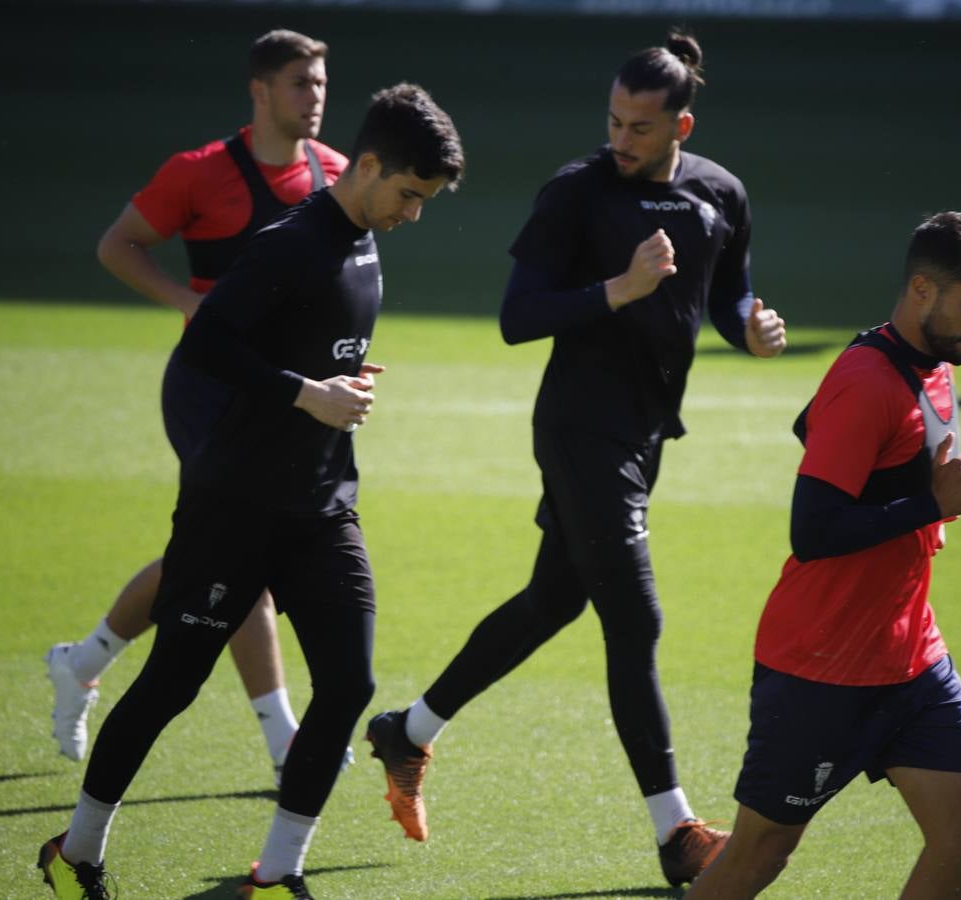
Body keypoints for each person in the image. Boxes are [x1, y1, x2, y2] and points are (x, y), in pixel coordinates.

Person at [363, 31, 787, 889]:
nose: (621, 139)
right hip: (578, 430)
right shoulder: (576, 192)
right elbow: (518, 317)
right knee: (636, 623)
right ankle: (676, 836)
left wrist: (749, 325)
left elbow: (730, 284)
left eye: (640, 126)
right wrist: (618, 290)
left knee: (555, 598)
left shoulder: (719, 194)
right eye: (614, 120)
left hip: (643, 436)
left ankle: (405, 731)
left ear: (682, 126)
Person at [35, 83, 465, 900]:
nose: (413, 214)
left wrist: (340, 379)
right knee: (172, 683)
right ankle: (80, 846)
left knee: (348, 685)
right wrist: (307, 391)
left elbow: (309, 341)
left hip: (324, 502)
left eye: (426, 201)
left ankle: (278, 871)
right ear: (367, 165)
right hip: (234, 502)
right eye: (409, 194)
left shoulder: (368, 238)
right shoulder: (288, 242)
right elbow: (210, 346)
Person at [44, 29, 350, 783]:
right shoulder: (200, 172)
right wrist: (188, 304)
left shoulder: (335, 173)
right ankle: (282, 738)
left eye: (320, 83)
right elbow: (119, 245)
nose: (315, 97)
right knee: (245, 546)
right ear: (260, 91)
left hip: (293, 394)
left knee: (217, 555)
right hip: (210, 388)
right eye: (300, 84)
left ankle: (80, 661)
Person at [684, 211, 961, 899]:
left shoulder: (934, 367)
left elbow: (815, 426)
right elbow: (813, 531)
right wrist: (931, 506)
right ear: (922, 289)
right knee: (756, 859)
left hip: (911, 658)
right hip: (822, 668)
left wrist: (920, 498)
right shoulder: (867, 380)